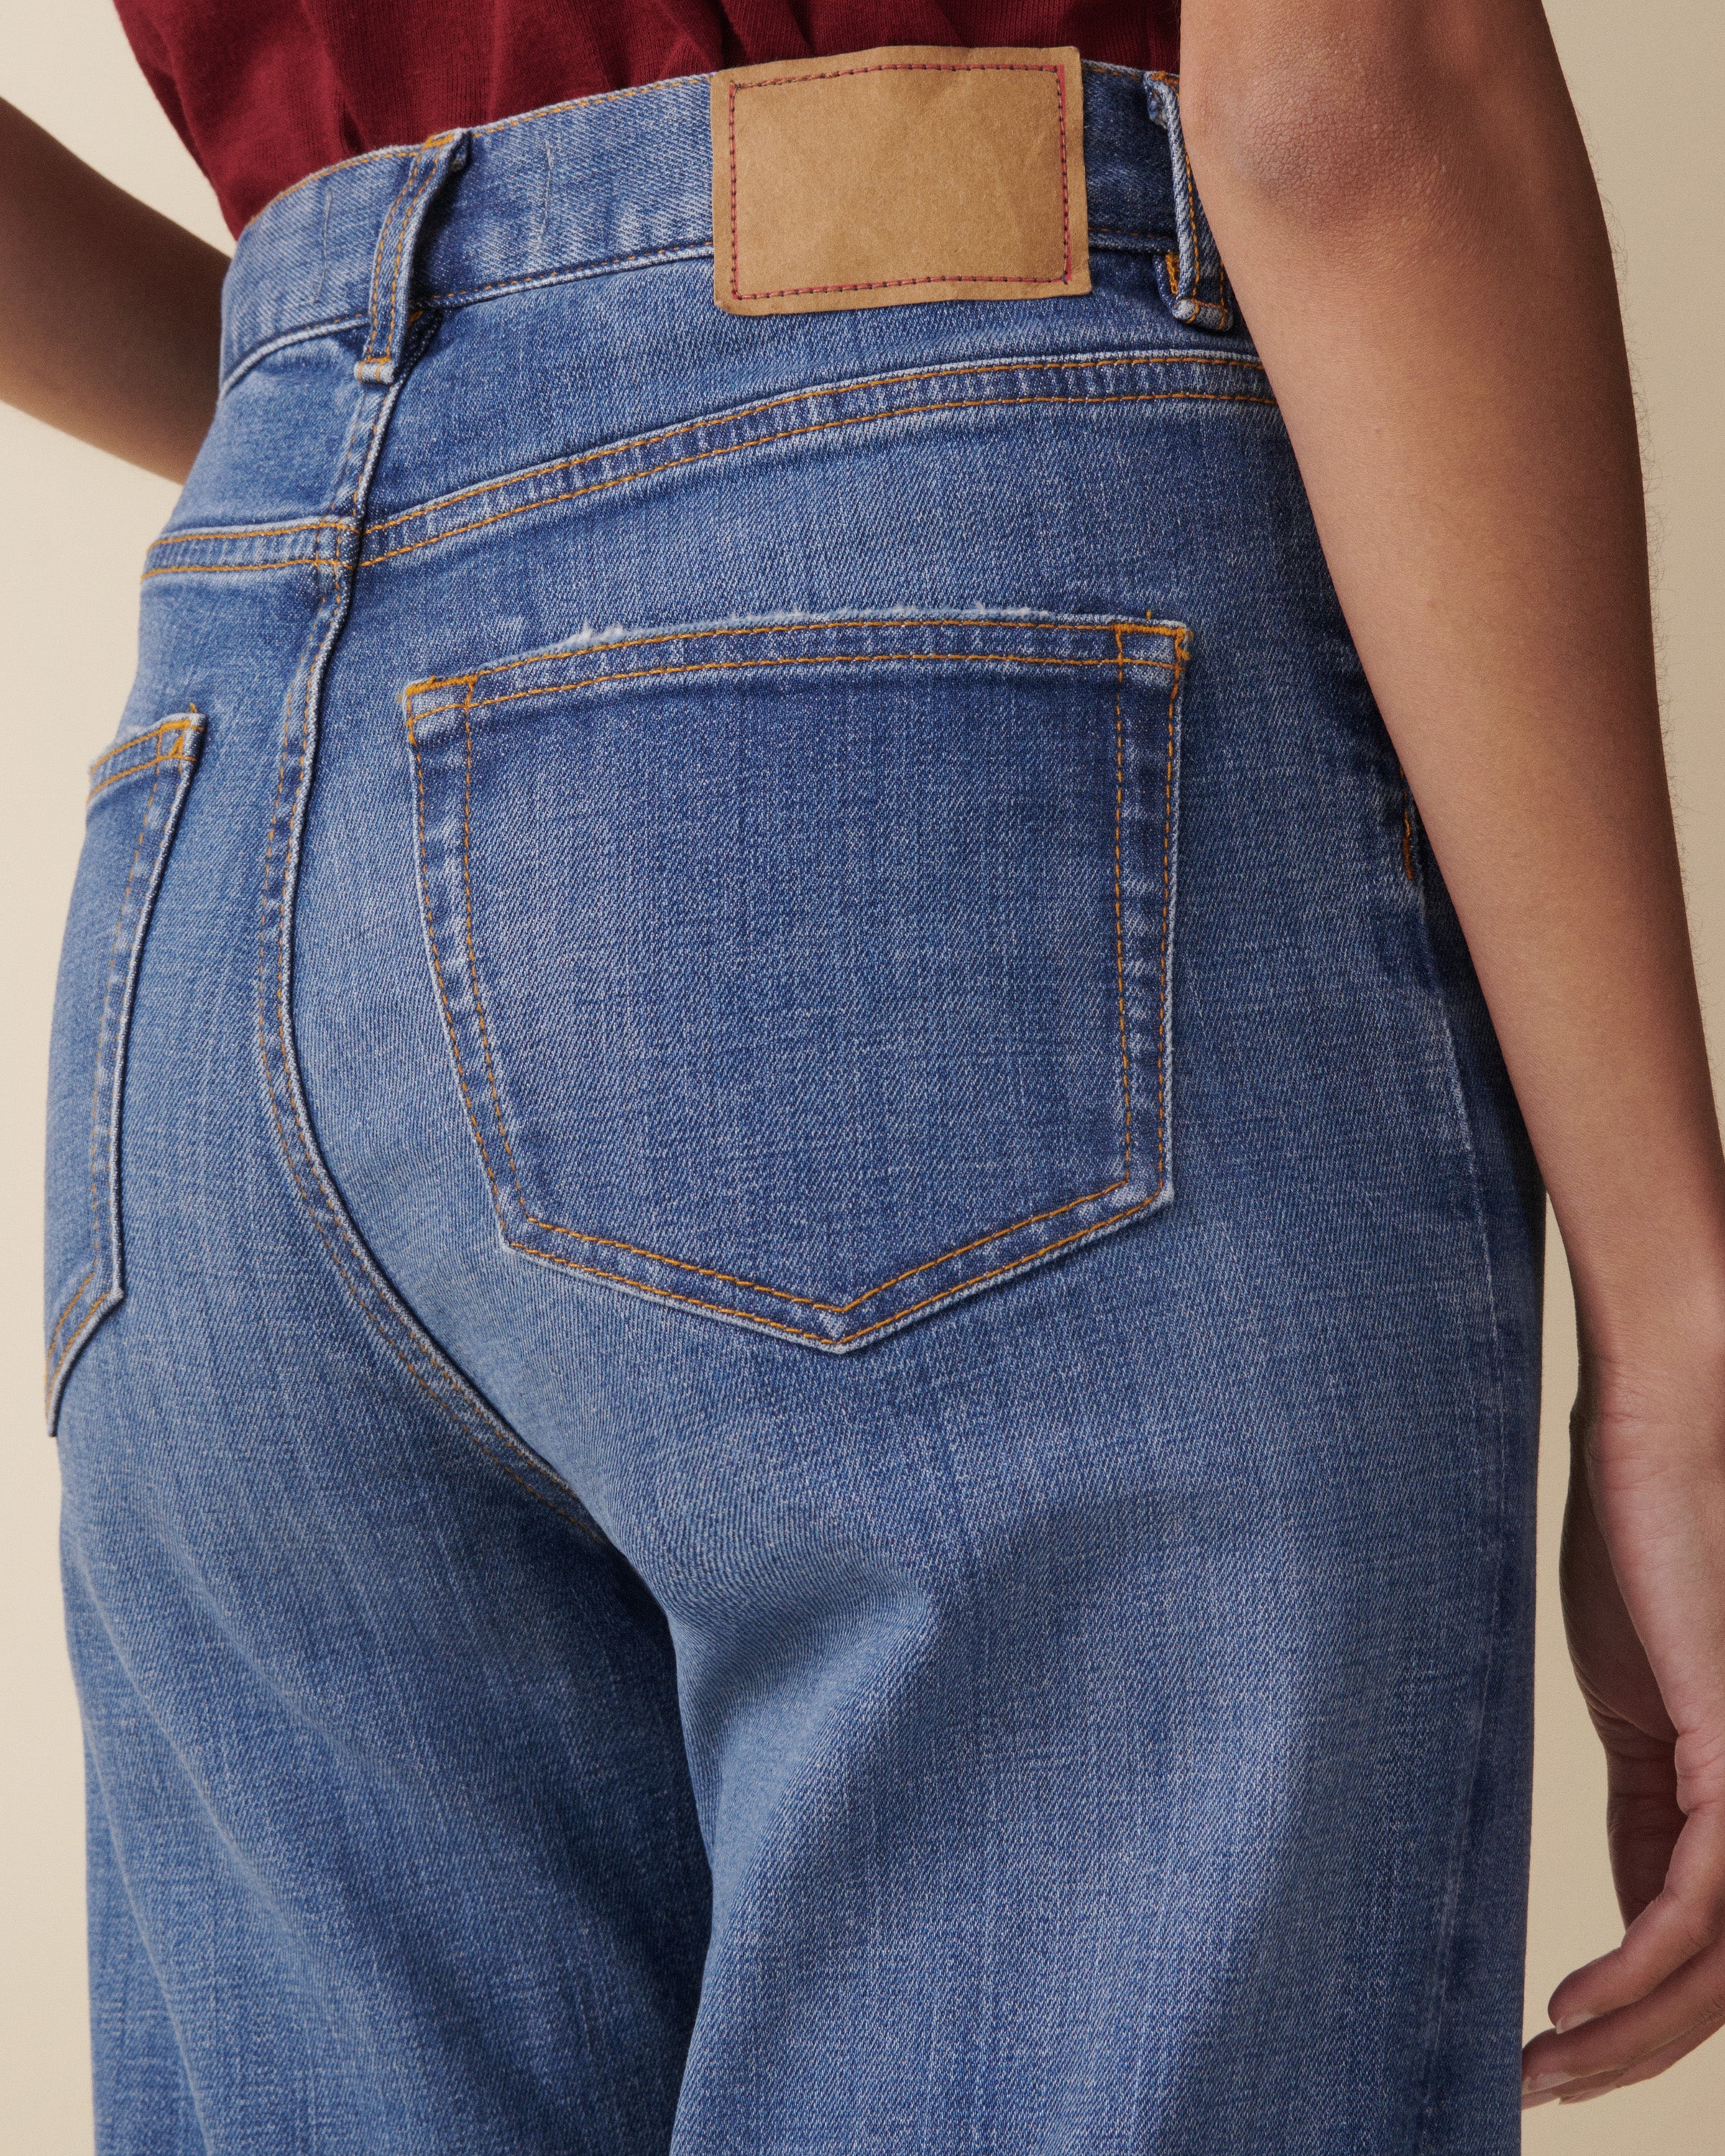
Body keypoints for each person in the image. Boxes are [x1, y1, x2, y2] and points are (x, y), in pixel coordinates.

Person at [5, 1, 1723, 2147]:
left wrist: (448, 449)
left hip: (241, 784)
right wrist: (1679, 1331)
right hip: (964, 687)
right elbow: (1358, 102)